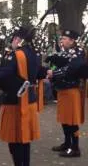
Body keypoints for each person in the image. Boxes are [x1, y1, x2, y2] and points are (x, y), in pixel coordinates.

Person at [0, 26, 43, 166]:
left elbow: (2, 75)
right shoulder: (35, 53)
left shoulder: (15, 55)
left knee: (14, 141)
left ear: (17, 39)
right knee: (25, 139)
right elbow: (39, 72)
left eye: (13, 40)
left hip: (14, 102)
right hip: (30, 100)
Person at [46, 29, 85, 157]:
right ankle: (67, 143)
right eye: (61, 38)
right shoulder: (65, 52)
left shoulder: (78, 53)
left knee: (73, 121)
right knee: (64, 119)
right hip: (63, 90)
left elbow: (71, 69)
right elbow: (59, 64)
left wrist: (54, 73)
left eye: (64, 38)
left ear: (72, 40)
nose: (62, 41)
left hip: (71, 90)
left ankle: (75, 147)